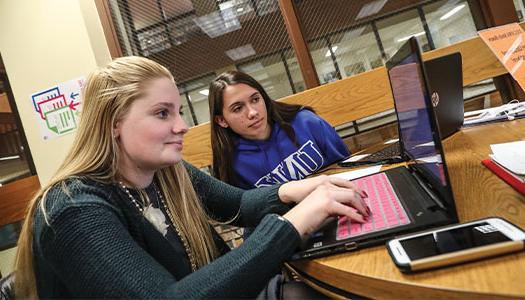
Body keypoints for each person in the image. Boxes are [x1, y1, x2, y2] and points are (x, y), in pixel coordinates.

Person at [14, 56, 370, 299]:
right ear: (113, 123)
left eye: (179, 111)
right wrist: (295, 222)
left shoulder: (165, 171)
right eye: (161, 113)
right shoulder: (72, 211)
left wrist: (302, 188)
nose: (181, 126)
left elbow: (240, 204)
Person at [208, 71, 350, 189]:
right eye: (238, 108)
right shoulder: (232, 166)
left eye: (255, 99)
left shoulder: (306, 122)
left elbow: (349, 170)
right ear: (222, 120)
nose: (253, 113)